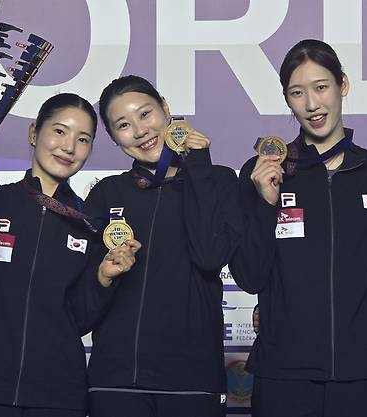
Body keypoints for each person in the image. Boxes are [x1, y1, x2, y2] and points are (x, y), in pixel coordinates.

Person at [228, 39, 367, 417]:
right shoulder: (261, 172)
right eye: (297, 93)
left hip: (364, 372)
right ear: (287, 99)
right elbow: (249, 275)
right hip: (283, 373)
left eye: (321, 87)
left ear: (343, 84)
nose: (312, 104)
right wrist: (266, 203)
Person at [0, 93, 141, 417]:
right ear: (34, 133)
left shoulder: (88, 223)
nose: (69, 147)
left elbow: (80, 319)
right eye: (60, 131)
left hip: (58, 394)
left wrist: (102, 278)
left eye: (83, 139)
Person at [84, 75, 242, 417]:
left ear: (166, 109)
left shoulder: (219, 180)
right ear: (112, 137)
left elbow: (210, 255)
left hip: (193, 381)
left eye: (145, 114)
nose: (140, 131)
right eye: (123, 125)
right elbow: (85, 299)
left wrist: (199, 169)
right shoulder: (107, 193)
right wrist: (103, 275)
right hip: (116, 380)